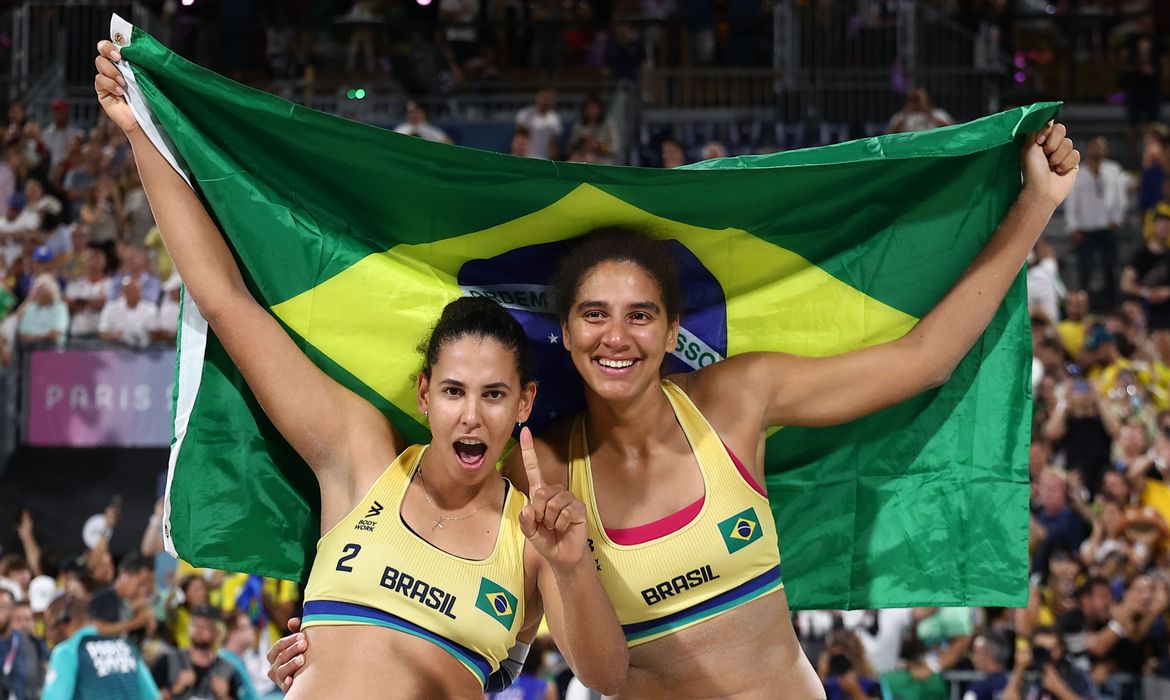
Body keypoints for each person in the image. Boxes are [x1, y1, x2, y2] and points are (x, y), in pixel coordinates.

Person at [275, 122, 1081, 696]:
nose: (616, 336)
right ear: (565, 333)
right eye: (594, 314)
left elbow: (921, 361)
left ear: (670, 332)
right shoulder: (542, 465)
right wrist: (338, 650)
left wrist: (1036, 207)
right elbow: (478, 606)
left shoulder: (734, 401)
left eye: (640, 315)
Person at [95, 39, 627, 699]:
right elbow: (226, 302)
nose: (471, 413)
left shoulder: (534, 536)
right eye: (455, 390)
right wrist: (140, 128)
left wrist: (573, 568)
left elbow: (606, 677)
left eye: (494, 395)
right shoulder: (359, 455)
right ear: (425, 394)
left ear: (523, 404)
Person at [41, 593, 159, 700]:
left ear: (65, 621)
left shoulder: (67, 652)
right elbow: (152, 696)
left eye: (50, 626)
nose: (49, 635)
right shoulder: (126, 648)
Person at [1064, 136, 1126, 309]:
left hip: (1107, 227)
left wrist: (1117, 219)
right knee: (1086, 271)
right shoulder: (1079, 171)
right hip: (1086, 229)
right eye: (1096, 146)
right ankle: (1085, 307)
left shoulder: (1113, 169)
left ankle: (1113, 306)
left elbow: (1121, 197)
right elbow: (1071, 201)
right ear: (1088, 148)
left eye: (1102, 146)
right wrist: (1073, 227)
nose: (1099, 150)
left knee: (1111, 269)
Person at [150, 604, 244, 700]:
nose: (199, 631)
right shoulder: (167, 660)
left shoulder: (226, 669)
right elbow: (149, 694)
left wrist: (224, 696)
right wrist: (175, 688)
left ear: (217, 632)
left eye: (205, 626)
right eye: (195, 625)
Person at [1003, 626, 1096, 700]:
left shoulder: (1075, 674)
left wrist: (1058, 689)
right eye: (1041, 650)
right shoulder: (1025, 675)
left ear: (1061, 649)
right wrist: (1018, 669)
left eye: (1052, 649)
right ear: (1032, 650)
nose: (1047, 655)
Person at [16, 273, 68, 348]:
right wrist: (44, 337)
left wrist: (32, 338)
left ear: (51, 290)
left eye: (40, 289)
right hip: (30, 350)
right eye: (35, 289)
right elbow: (22, 336)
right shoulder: (30, 308)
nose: (35, 292)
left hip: (52, 350)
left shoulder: (60, 308)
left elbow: (55, 335)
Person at [515, 90, 562, 161]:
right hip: (526, 157)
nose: (546, 101)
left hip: (545, 159)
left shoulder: (554, 119)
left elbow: (553, 144)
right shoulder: (524, 114)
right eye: (544, 97)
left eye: (549, 98)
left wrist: (553, 161)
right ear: (538, 97)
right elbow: (520, 138)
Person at [887, 88, 954, 134]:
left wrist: (930, 115)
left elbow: (953, 130)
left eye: (919, 100)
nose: (917, 103)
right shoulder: (900, 116)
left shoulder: (938, 114)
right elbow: (890, 134)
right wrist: (906, 114)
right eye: (914, 100)